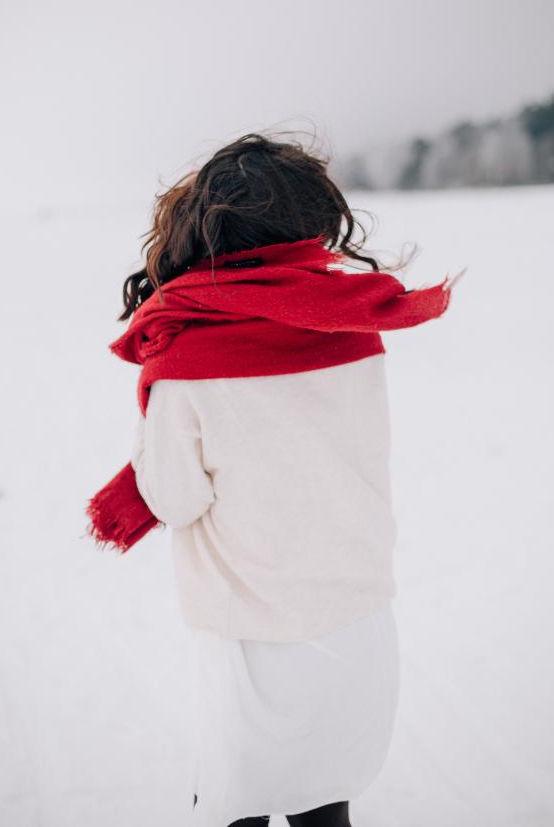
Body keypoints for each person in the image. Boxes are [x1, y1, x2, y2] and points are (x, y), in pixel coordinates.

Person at [119, 130, 453, 826]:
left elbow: (175, 499)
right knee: (324, 808)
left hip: (253, 640)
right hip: (357, 618)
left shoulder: (187, 364)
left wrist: (154, 418)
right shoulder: (354, 331)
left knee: (232, 806)